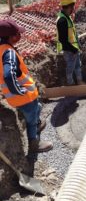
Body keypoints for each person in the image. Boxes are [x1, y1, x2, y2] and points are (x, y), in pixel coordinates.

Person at [0, 19, 53, 154]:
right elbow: (8, 74)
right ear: (10, 37)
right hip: (25, 97)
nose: (20, 36)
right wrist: (18, 90)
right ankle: (34, 144)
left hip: (16, 98)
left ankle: (36, 123)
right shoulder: (8, 53)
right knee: (31, 120)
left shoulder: (1, 49)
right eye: (17, 34)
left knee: (37, 108)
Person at [56, 0, 86, 85]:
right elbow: (63, 40)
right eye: (73, 6)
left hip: (74, 48)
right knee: (70, 68)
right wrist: (73, 50)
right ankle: (71, 85)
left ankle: (80, 81)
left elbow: (72, 33)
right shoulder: (62, 20)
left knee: (77, 65)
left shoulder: (67, 17)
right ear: (69, 6)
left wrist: (77, 46)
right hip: (69, 50)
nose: (73, 8)